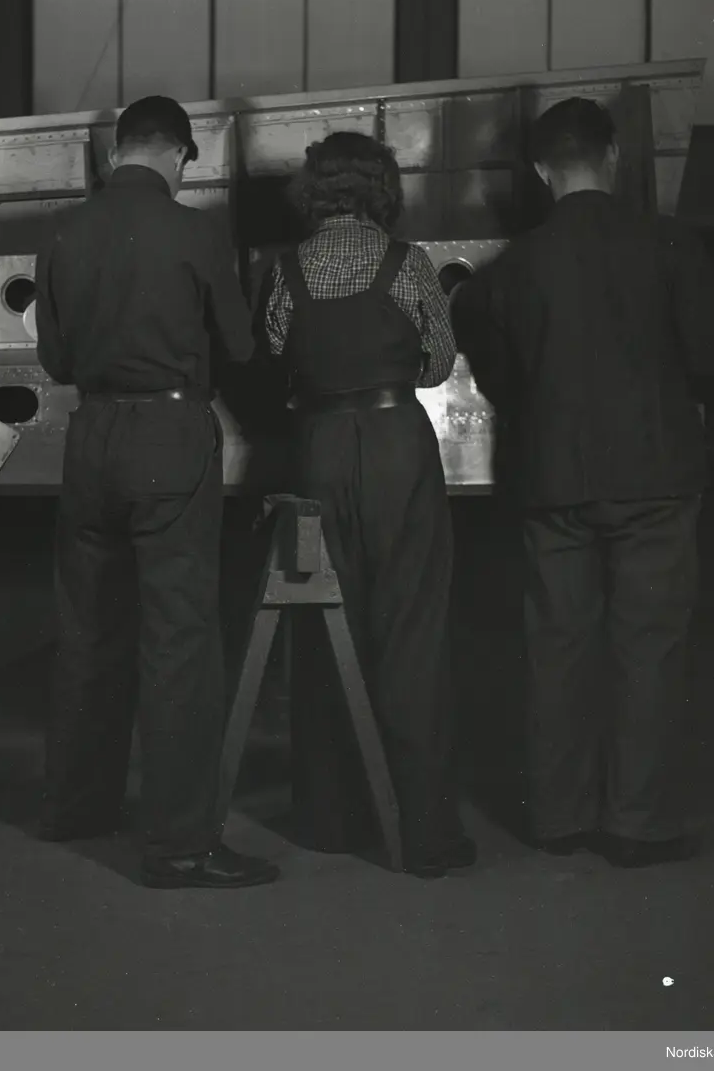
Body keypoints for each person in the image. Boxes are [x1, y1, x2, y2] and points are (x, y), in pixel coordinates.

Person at [451, 97, 714, 868]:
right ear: (613, 156)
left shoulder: (511, 270)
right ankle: (636, 823)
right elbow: (711, 357)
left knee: (557, 645)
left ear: (542, 170)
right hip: (657, 475)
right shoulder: (671, 243)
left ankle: (558, 817)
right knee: (650, 647)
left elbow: (499, 380)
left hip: (553, 480)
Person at [34, 96, 279, 890]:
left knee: (88, 625)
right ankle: (179, 845)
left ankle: (77, 807)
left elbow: (57, 361)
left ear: (115, 154)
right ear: (179, 154)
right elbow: (239, 344)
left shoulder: (61, 231)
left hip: (92, 437)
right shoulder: (196, 231)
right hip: (169, 436)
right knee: (179, 638)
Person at [264, 131, 474, 879]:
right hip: (396, 446)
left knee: (326, 626)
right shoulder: (407, 262)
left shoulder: (285, 268)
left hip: (318, 448)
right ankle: (424, 831)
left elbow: (278, 353)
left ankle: (330, 818)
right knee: (412, 628)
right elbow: (439, 362)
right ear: (382, 187)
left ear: (315, 190)